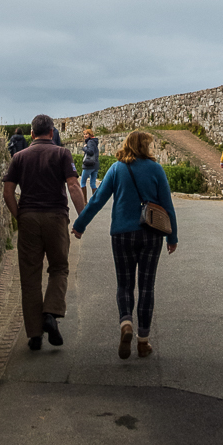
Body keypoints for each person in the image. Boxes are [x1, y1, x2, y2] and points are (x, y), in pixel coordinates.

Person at [72, 130, 177, 360]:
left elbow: (97, 199)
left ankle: (126, 323)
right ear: (145, 146)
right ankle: (143, 341)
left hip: (121, 234)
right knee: (147, 286)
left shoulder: (117, 168)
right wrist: (172, 237)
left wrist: (80, 224)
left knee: (125, 284)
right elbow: (167, 204)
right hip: (151, 235)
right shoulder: (156, 169)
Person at [3, 113, 84, 351]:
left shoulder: (19, 157)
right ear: (51, 132)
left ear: (31, 134)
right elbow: (73, 186)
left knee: (30, 277)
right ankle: (51, 312)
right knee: (59, 267)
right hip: (56, 217)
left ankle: (35, 335)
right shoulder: (61, 153)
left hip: (28, 217)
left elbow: (8, 193)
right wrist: (84, 218)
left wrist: (21, 217)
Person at [80, 128, 100, 203]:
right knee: (92, 183)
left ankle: (84, 201)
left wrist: (84, 148)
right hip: (95, 165)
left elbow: (90, 152)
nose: (85, 136)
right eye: (84, 134)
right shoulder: (94, 142)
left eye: (86, 134)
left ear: (90, 134)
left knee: (82, 182)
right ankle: (96, 201)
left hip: (89, 165)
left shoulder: (90, 142)